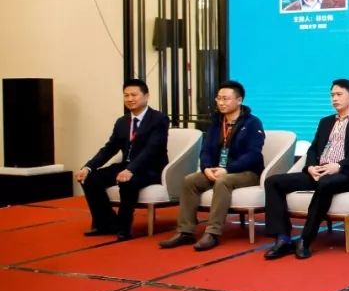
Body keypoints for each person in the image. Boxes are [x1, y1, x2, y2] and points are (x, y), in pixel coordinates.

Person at [262, 79, 349, 260]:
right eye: (332, 95)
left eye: (339, 94)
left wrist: (339, 165)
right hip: (319, 171)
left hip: (345, 174)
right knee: (273, 182)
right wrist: (310, 167)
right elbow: (314, 148)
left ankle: (305, 240)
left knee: (325, 183)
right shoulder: (325, 121)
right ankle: (283, 238)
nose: (334, 99)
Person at [159, 80, 265, 251]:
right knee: (190, 180)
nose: (221, 102)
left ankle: (212, 233)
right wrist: (206, 167)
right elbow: (206, 150)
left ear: (239, 100)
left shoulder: (252, 123)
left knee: (223, 181)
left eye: (226, 99)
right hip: (217, 170)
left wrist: (228, 169)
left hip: (246, 172)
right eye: (218, 98)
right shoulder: (216, 122)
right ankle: (185, 231)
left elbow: (253, 154)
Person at [75, 78, 169, 240]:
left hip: (150, 168)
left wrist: (130, 170)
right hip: (126, 165)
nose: (130, 99)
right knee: (90, 178)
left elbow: (151, 149)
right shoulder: (122, 122)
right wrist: (88, 167)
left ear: (146, 96)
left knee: (127, 181)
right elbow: (109, 149)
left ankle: (123, 227)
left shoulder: (159, 119)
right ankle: (106, 223)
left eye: (134, 95)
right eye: (126, 95)